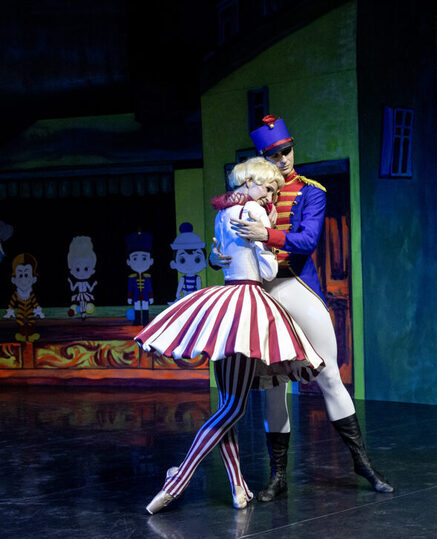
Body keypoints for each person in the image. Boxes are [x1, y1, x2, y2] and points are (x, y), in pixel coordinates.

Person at [212, 115, 393, 501]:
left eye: (287, 151)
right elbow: (226, 240)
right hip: (258, 292)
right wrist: (217, 257)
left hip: (295, 283)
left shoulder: (311, 191)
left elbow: (308, 239)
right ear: (262, 159)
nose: (283, 159)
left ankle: (362, 462)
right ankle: (278, 475)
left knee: (328, 374)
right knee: (273, 387)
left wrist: (267, 234)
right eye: (275, 155)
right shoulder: (244, 198)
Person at [136, 157, 324, 514]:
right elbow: (267, 270)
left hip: (223, 301)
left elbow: (219, 256)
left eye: (274, 191)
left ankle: (238, 487)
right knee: (234, 407)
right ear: (249, 182)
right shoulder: (254, 211)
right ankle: (178, 479)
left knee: (227, 404)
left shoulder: (224, 213)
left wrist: (225, 253)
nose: (270, 195)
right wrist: (267, 235)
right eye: (267, 187)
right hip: (247, 303)